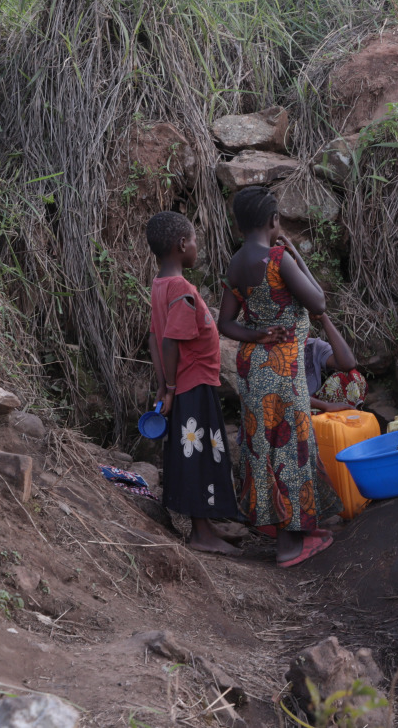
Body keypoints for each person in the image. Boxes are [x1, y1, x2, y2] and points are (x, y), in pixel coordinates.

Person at [219, 186, 342, 567]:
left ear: (239, 224)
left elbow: (225, 322)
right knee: (291, 446)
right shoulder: (276, 259)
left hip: (254, 367)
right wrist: (294, 258)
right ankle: (290, 546)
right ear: (274, 221)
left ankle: (287, 530)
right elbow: (318, 302)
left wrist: (256, 334)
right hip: (283, 370)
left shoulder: (237, 262)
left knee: (263, 448)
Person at [145, 211, 241, 556]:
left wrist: (162, 385)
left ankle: (208, 525)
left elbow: (155, 339)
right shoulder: (181, 289)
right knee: (201, 456)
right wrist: (170, 388)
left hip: (182, 385)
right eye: (195, 240)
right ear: (181, 244)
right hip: (193, 384)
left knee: (197, 452)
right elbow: (170, 341)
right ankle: (201, 534)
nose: (197, 246)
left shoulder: (160, 285)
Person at [305, 312, 364, 413]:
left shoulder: (313, 346)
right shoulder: (274, 352)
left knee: (350, 376)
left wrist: (324, 319)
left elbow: (348, 364)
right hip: (287, 410)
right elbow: (285, 394)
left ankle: (351, 421)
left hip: (316, 408)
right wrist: (326, 406)